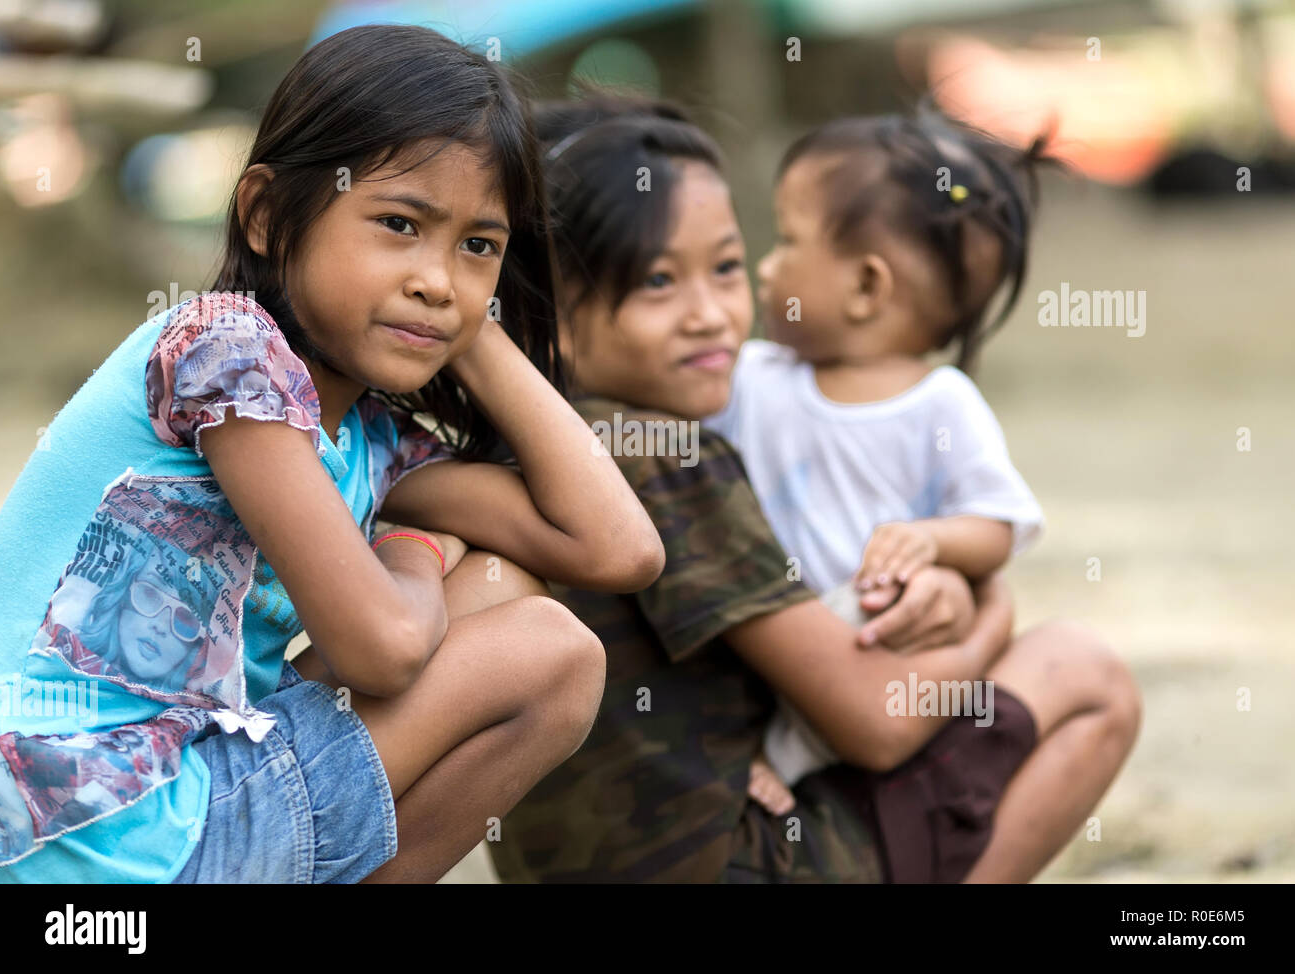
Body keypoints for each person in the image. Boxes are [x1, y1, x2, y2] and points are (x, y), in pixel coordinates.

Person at [0, 26, 663, 883]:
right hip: (88, 829)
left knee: (504, 586)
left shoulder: (373, 438)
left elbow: (619, 548)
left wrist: (469, 328)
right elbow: (382, 649)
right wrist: (411, 554)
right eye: (398, 224)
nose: (436, 276)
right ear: (268, 215)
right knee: (553, 655)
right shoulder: (224, 349)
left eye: (478, 245)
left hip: (166, 810)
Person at [487, 96, 1141, 883]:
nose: (713, 316)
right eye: (659, 281)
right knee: (1084, 672)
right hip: (744, 861)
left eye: (727, 266)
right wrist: (991, 613)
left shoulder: (519, 444)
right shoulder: (661, 456)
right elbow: (874, 724)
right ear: (550, 306)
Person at [705, 110, 1051, 815]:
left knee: (883, 603)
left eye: (787, 241)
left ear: (867, 287)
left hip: (883, 648)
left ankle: (792, 756)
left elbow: (1000, 525)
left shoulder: (940, 403)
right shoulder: (755, 378)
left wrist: (933, 540)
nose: (765, 268)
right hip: (781, 644)